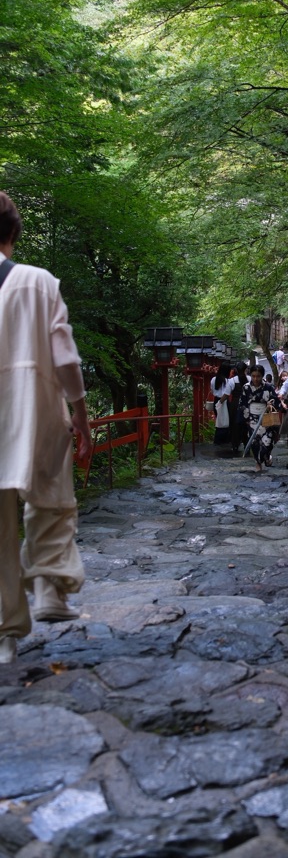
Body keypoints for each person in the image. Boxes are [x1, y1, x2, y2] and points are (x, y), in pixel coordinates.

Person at [0, 192, 92, 664]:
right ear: (13, 232)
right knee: (51, 497)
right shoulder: (37, 283)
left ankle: (3, 636)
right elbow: (65, 358)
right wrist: (80, 412)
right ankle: (51, 592)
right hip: (34, 408)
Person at [239, 366, 281, 470]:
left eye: (258, 376)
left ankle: (265, 456)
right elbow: (242, 404)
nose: (255, 379)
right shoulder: (246, 387)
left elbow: (276, 402)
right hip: (252, 418)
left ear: (262, 376)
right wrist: (247, 419)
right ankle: (258, 463)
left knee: (266, 443)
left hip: (266, 418)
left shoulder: (268, 387)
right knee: (254, 443)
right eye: (253, 376)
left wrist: (270, 404)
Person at [209, 361, 233, 448]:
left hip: (216, 400)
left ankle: (218, 439)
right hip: (224, 401)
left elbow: (212, 391)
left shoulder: (213, 379)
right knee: (226, 420)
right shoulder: (228, 381)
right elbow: (227, 393)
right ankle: (225, 439)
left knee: (219, 420)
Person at [228, 361, 248, 456]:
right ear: (245, 370)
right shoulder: (249, 379)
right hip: (247, 403)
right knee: (246, 424)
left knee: (235, 425)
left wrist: (220, 402)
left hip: (235, 404)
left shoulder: (232, 381)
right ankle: (246, 443)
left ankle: (235, 444)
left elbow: (227, 393)